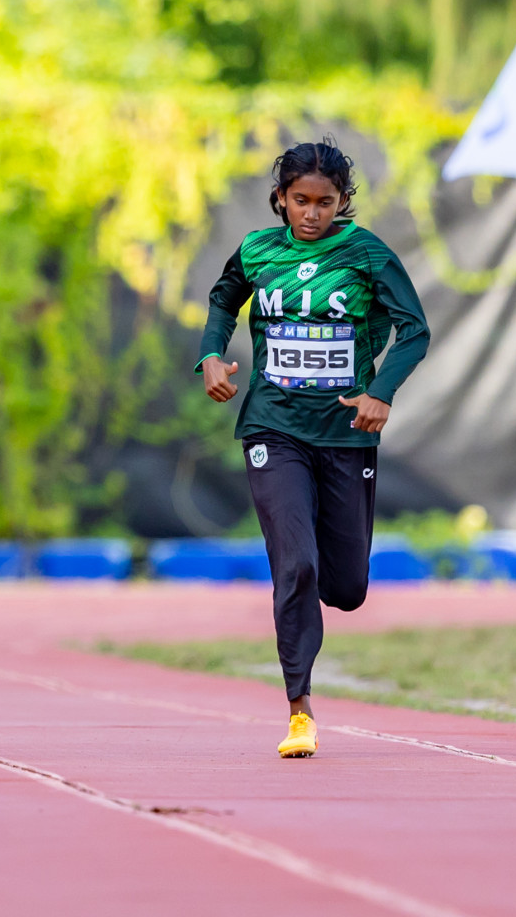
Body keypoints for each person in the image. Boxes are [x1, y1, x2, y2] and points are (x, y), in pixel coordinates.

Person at [196, 139, 429, 758]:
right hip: (273, 428)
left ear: (342, 203)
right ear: (280, 198)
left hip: (345, 435)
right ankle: (300, 710)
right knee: (295, 562)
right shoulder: (257, 250)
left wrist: (380, 392)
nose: (312, 214)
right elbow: (223, 299)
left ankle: (328, 591)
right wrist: (211, 354)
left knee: (346, 586)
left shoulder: (365, 254)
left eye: (325, 203)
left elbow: (415, 328)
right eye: (300, 200)